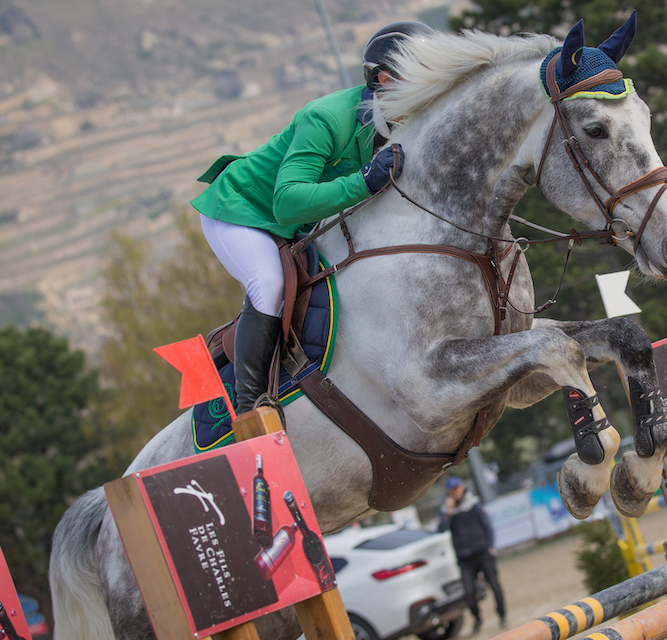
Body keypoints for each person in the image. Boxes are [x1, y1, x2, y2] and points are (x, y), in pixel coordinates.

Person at [190, 21, 434, 414]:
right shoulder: (326, 117)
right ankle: (251, 410)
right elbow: (287, 202)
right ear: (385, 80)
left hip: (300, 224)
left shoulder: (407, 124)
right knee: (267, 282)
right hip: (242, 210)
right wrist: (364, 181)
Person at [438, 477, 507, 634]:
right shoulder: (447, 511)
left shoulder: (473, 503)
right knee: (468, 593)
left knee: (495, 586)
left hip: (483, 553)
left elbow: (487, 526)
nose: (455, 493)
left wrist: (490, 547)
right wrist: (448, 511)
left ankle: (502, 615)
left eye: (456, 488)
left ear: (462, 488)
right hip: (465, 559)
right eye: (451, 490)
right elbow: (441, 529)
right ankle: (477, 619)